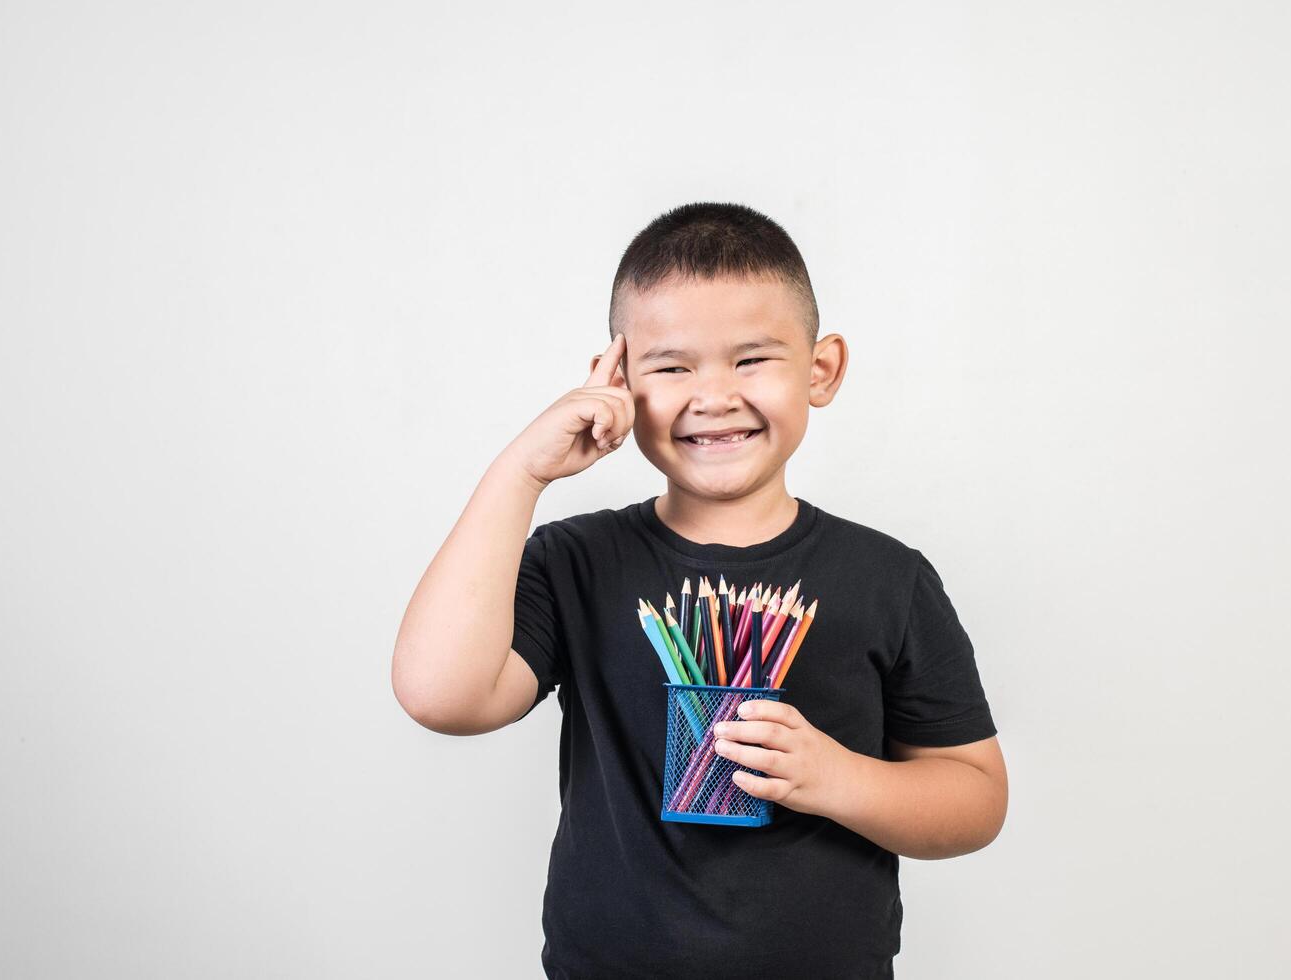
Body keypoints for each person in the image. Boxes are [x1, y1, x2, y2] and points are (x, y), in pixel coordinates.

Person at [391, 202, 1008, 979]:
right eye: (671, 366)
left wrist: (834, 776)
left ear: (820, 371)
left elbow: (974, 801)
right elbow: (439, 695)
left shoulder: (889, 578)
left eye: (751, 359)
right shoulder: (576, 560)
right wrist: (522, 471)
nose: (712, 396)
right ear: (616, 379)